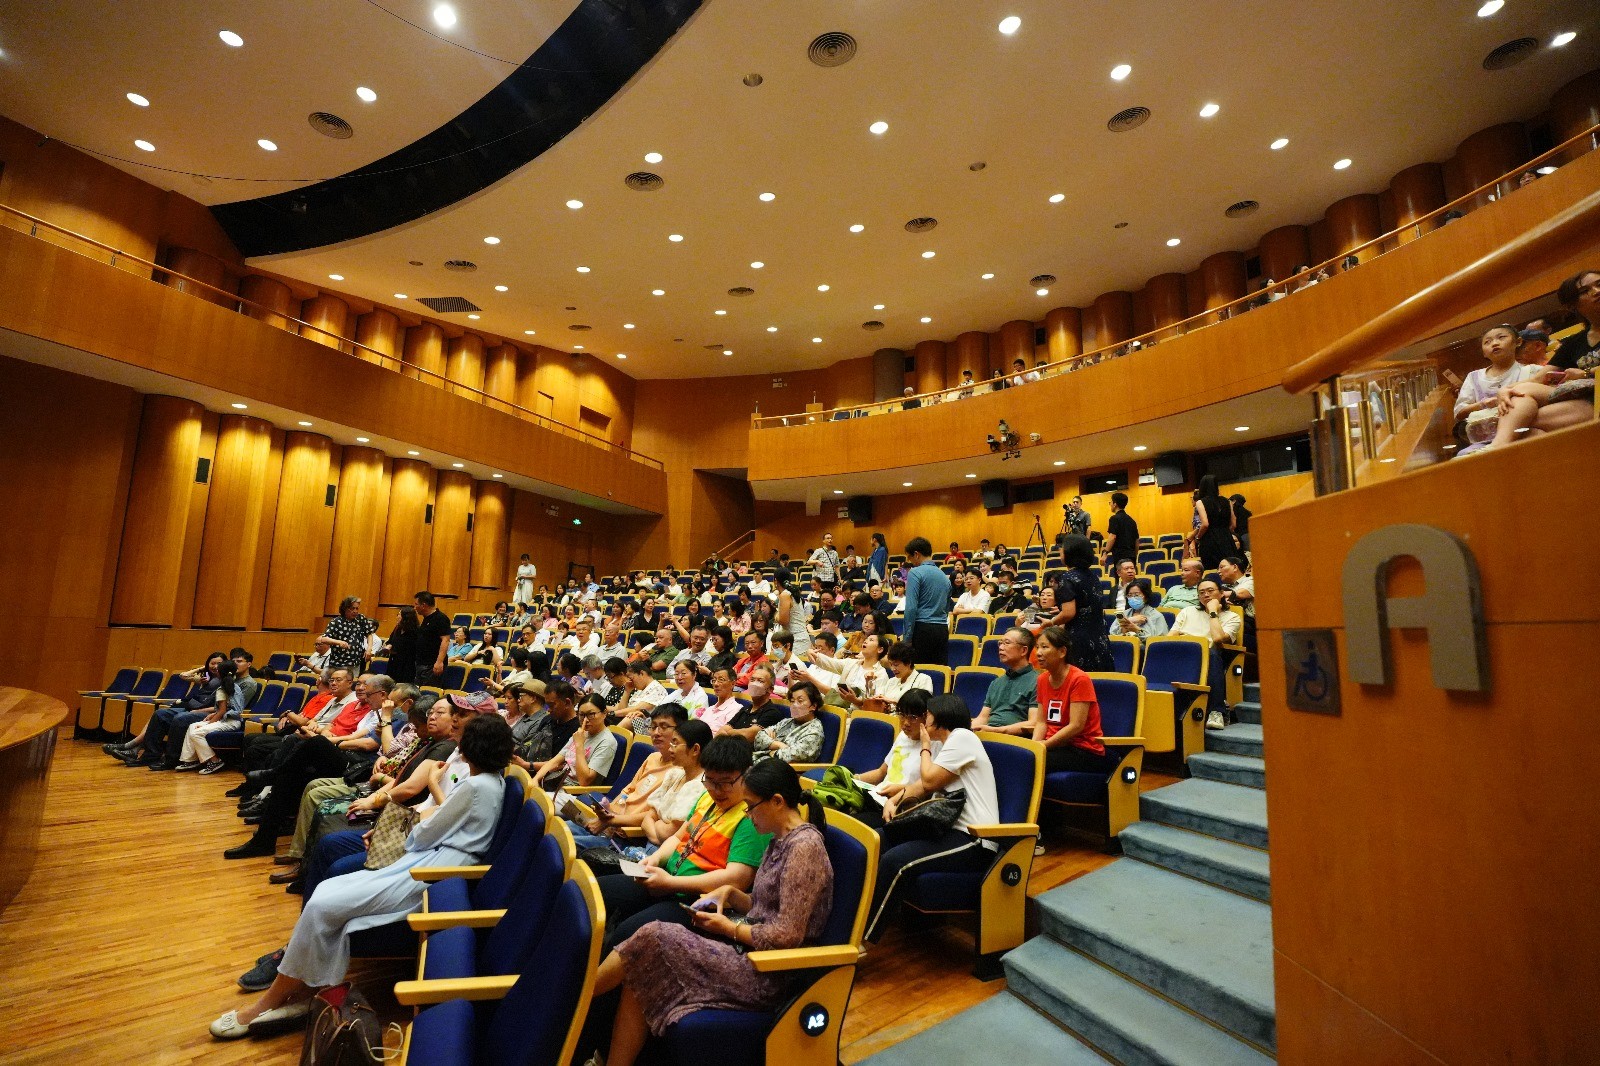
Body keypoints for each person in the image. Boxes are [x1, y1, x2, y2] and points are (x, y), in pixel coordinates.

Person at [209, 715, 513, 1040]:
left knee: (323, 904)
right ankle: (306, 988)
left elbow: (424, 833)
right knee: (327, 892)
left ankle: (273, 999)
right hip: (439, 861)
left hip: (435, 869)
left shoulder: (474, 786)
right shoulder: (493, 782)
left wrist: (425, 807)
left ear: (470, 748)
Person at [588, 759, 832, 1066]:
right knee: (644, 958)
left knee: (652, 936)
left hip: (768, 973)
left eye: (750, 806)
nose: (747, 814)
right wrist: (731, 894)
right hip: (748, 950)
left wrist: (727, 928)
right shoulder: (780, 839)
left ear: (777, 802)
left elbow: (786, 935)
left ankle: (574, 1002)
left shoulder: (805, 849)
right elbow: (764, 907)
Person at [594, 735, 769, 950]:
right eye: (709, 781)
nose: (715, 790)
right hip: (667, 880)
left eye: (725, 783)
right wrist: (655, 859)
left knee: (626, 934)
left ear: (747, 774)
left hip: (697, 901)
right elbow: (678, 837)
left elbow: (736, 879)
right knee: (594, 893)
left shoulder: (751, 818)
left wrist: (670, 883)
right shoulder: (707, 799)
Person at [866, 694, 1000, 941]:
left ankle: (864, 937)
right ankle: (856, 917)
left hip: (974, 838)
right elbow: (922, 787)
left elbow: (927, 781)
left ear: (942, 716)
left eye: (927, 715)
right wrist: (894, 800)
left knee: (896, 861)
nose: (924, 720)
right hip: (946, 828)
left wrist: (925, 746)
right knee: (878, 838)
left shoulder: (963, 737)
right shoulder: (951, 745)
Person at [1488, 271, 1599, 447]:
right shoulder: (1575, 342)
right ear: (1573, 305)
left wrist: (1586, 373)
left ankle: (1495, 450)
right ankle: (1498, 449)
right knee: (1521, 397)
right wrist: (1505, 390)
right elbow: (1538, 379)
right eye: (1585, 291)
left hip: (1596, 398)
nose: (1596, 291)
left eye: (1599, 284)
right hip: (1583, 398)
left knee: (1521, 425)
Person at [567, 704, 687, 853]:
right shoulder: (652, 757)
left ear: (680, 731)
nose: (656, 733)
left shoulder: (680, 772)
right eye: (653, 726)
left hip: (626, 835)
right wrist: (608, 812)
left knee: (565, 845)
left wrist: (614, 821)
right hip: (610, 823)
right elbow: (628, 789)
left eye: (663, 727)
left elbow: (655, 815)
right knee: (556, 829)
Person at [1033, 627, 1117, 774]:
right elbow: (1041, 722)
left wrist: (1043, 746)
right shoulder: (1042, 679)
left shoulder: (1079, 679)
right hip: (1055, 745)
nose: (1038, 653)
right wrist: (1033, 747)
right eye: (1037, 647)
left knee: (1030, 762)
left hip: (1082, 749)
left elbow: (1076, 726)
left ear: (1062, 652)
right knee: (1023, 756)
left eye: (1044, 647)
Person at [1168, 579, 1242, 729]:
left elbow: (1218, 639)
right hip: (1183, 655)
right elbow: (1170, 638)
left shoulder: (1232, 617)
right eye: (1201, 592)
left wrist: (1213, 612)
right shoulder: (1187, 612)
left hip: (1208, 658)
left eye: (1210, 591)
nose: (1206, 595)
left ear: (1221, 593)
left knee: (1213, 653)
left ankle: (1217, 711)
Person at [852, 690, 932, 828]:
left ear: (927, 717)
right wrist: (853, 779)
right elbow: (880, 772)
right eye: (902, 715)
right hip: (877, 797)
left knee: (850, 825)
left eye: (913, 717)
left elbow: (929, 790)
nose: (905, 723)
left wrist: (900, 790)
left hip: (900, 808)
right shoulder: (903, 736)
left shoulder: (933, 745)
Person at [1453, 324, 1543, 445]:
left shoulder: (1534, 372)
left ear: (1518, 342)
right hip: (1484, 441)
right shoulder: (1474, 377)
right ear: (1484, 353)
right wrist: (1483, 404)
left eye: (1501, 337)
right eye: (1487, 342)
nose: (1494, 343)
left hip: (1525, 433)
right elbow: (1459, 412)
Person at [175, 650, 261, 774]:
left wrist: (210, 722)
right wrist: (213, 716)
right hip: (226, 719)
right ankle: (190, 760)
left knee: (196, 733)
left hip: (230, 721)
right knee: (192, 726)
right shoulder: (233, 685)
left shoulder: (223, 689)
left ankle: (215, 761)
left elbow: (222, 711)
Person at [1045, 535, 1114, 672]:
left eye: (1062, 548)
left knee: (1079, 680)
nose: (1060, 551)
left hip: (1079, 639)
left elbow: (1068, 613)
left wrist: (1051, 622)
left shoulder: (1067, 578)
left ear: (1070, 552)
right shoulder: (1093, 576)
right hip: (1099, 637)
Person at [533, 694, 618, 792]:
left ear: (604, 713)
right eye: (582, 715)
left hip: (575, 792)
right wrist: (535, 779)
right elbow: (556, 760)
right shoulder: (581, 733)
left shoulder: (607, 742)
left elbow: (584, 781)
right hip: (558, 782)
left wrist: (579, 746)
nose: (585, 720)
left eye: (591, 714)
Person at [971, 628, 1040, 736]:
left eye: (1007, 643)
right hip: (989, 734)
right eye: (1000, 643)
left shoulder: (1037, 681)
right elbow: (982, 718)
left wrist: (998, 730)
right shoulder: (996, 682)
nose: (1001, 648)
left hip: (1015, 740)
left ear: (1023, 650)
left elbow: (1034, 723)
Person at [901, 537, 952, 668]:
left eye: (910, 557)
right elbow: (946, 607)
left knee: (919, 673)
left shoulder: (915, 573)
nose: (910, 561)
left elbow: (911, 608)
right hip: (941, 629)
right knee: (939, 672)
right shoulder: (944, 576)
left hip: (922, 629)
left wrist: (907, 638)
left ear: (916, 554)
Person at [752, 678, 825, 763]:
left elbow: (792, 755)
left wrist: (770, 747)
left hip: (775, 767)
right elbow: (758, 738)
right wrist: (778, 744)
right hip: (759, 760)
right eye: (792, 701)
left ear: (813, 706)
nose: (794, 705)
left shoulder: (814, 731)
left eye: (800, 701)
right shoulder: (787, 721)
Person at [861, 640, 934, 713]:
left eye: (896, 665)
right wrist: (869, 685)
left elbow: (922, 707)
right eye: (891, 664)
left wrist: (893, 702)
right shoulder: (891, 681)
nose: (892, 669)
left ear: (908, 663)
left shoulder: (923, 679)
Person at [321, 596, 377, 675]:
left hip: (355, 663)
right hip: (339, 663)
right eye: (352, 608)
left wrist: (369, 648)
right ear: (345, 608)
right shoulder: (336, 622)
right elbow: (324, 639)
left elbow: (369, 634)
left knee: (353, 681)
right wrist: (339, 642)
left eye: (357, 608)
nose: (355, 611)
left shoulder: (360, 618)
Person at [1193, 474, 1237, 571]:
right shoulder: (1227, 501)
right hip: (1227, 539)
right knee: (1229, 569)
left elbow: (1205, 524)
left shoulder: (1200, 502)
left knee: (1212, 571)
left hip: (1210, 540)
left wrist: (1198, 538)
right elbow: (1233, 524)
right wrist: (1224, 532)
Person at [413, 591, 452, 687]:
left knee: (428, 692)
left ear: (423, 605)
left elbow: (445, 640)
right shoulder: (426, 619)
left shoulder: (441, 618)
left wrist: (439, 662)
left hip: (432, 665)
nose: (415, 607)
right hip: (421, 664)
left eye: (416, 604)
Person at [774, 567, 812, 657]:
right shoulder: (791, 593)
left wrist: (775, 615)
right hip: (798, 639)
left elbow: (783, 621)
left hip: (796, 641)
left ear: (775, 581)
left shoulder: (785, 595)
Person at [377, 607, 419, 685]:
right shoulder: (397, 628)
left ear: (406, 617)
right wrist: (388, 646)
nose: (397, 617)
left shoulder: (415, 632)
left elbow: (412, 650)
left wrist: (394, 650)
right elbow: (390, 641)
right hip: (393, 662)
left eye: (399, 614)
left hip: (407, 665)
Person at [1101, 492, 1139, 567]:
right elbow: (1137, 541)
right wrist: (1134, 556)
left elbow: (1113, 536)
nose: (1110, 504)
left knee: (1121, 574)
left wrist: (1105, 553)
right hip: (1131, 557)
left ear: (1115, 504)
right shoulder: (1132, 521)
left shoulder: (1114, 518)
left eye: (1110, 502)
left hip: (1120, 556)